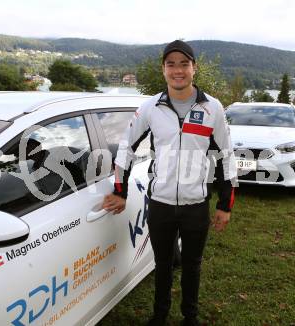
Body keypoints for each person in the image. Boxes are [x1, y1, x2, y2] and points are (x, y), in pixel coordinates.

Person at [102, 40, 237, 326]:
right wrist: (120, 190)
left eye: (184, 64)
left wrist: (225, 205)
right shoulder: (151, 107)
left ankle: (190, 317)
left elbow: (227, 157)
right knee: (162, 265)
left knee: (192, 266)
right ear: (163, 70)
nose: (178, 70)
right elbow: (126, 147)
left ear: (194, 68)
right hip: (161, 204)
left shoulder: (213, 108)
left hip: (196, 205)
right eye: (171, 64)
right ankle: (159, 316)